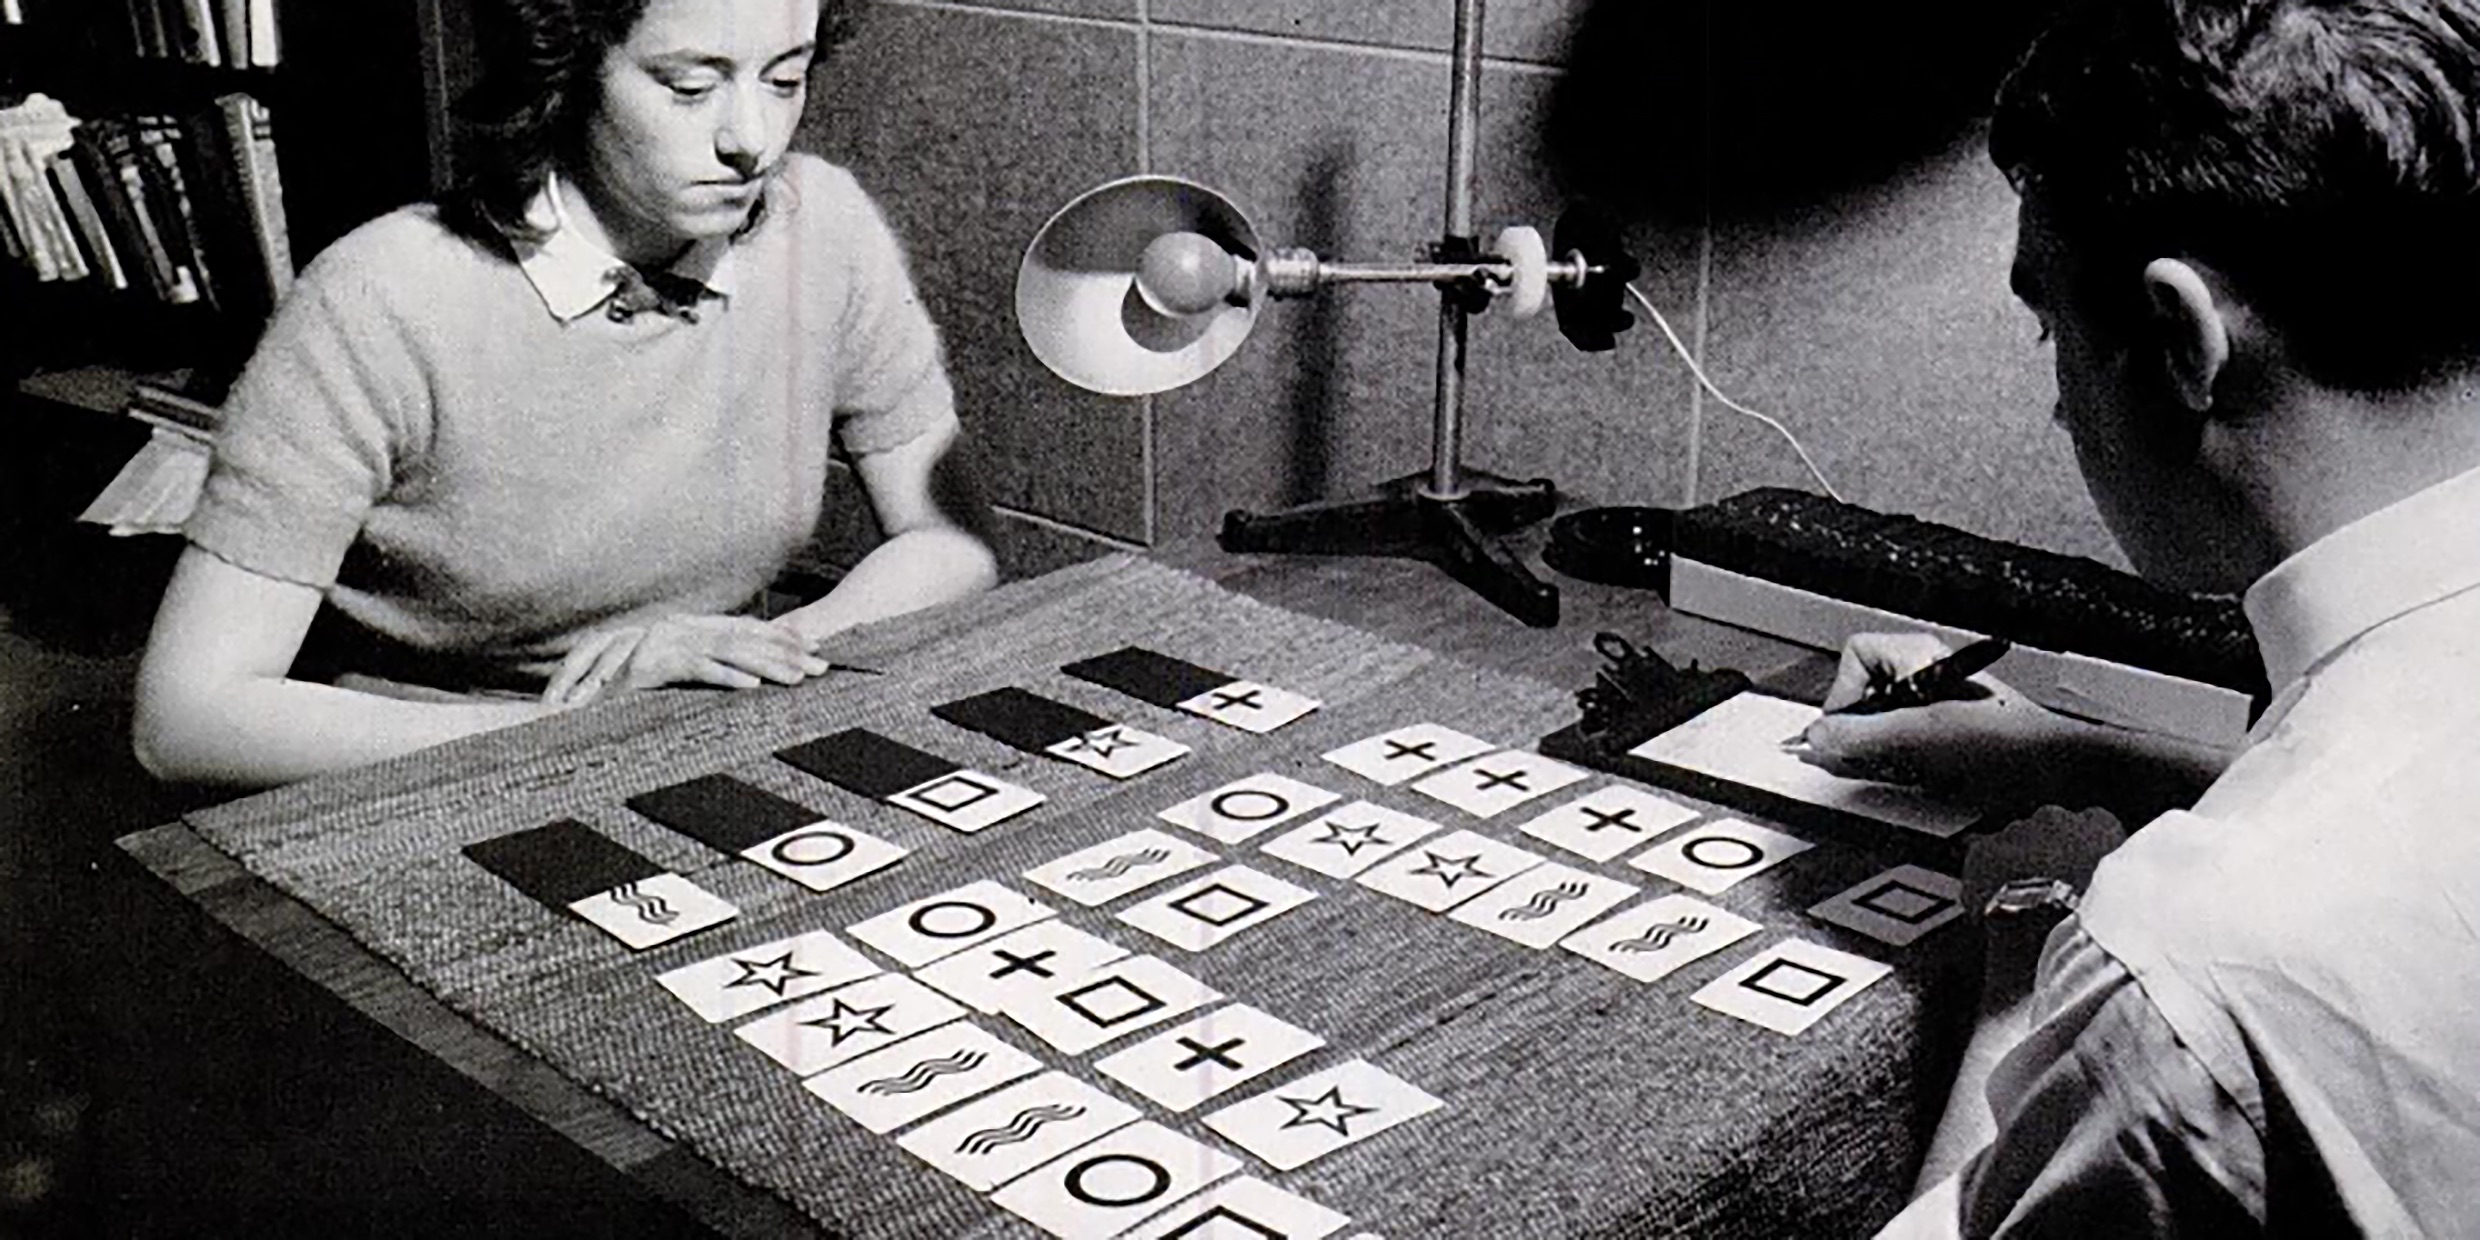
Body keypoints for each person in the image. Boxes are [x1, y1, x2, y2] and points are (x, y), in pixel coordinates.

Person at [1794, 0, 2480, 1233]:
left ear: (2180, 339)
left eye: (2048, 319)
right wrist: (2071, 755)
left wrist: (2037, 958)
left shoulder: (2184, 976)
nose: (2057, 408)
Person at [132, 0, 996, 789]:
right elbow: (186, 719)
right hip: (419, 772)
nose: (752, 140)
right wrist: (581, 724)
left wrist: (765, 654)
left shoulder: (825, 226)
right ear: (565, 72)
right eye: (690, 87)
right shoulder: (379, 297)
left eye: (785, 80)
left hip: (698, 738)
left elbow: (954, 543)